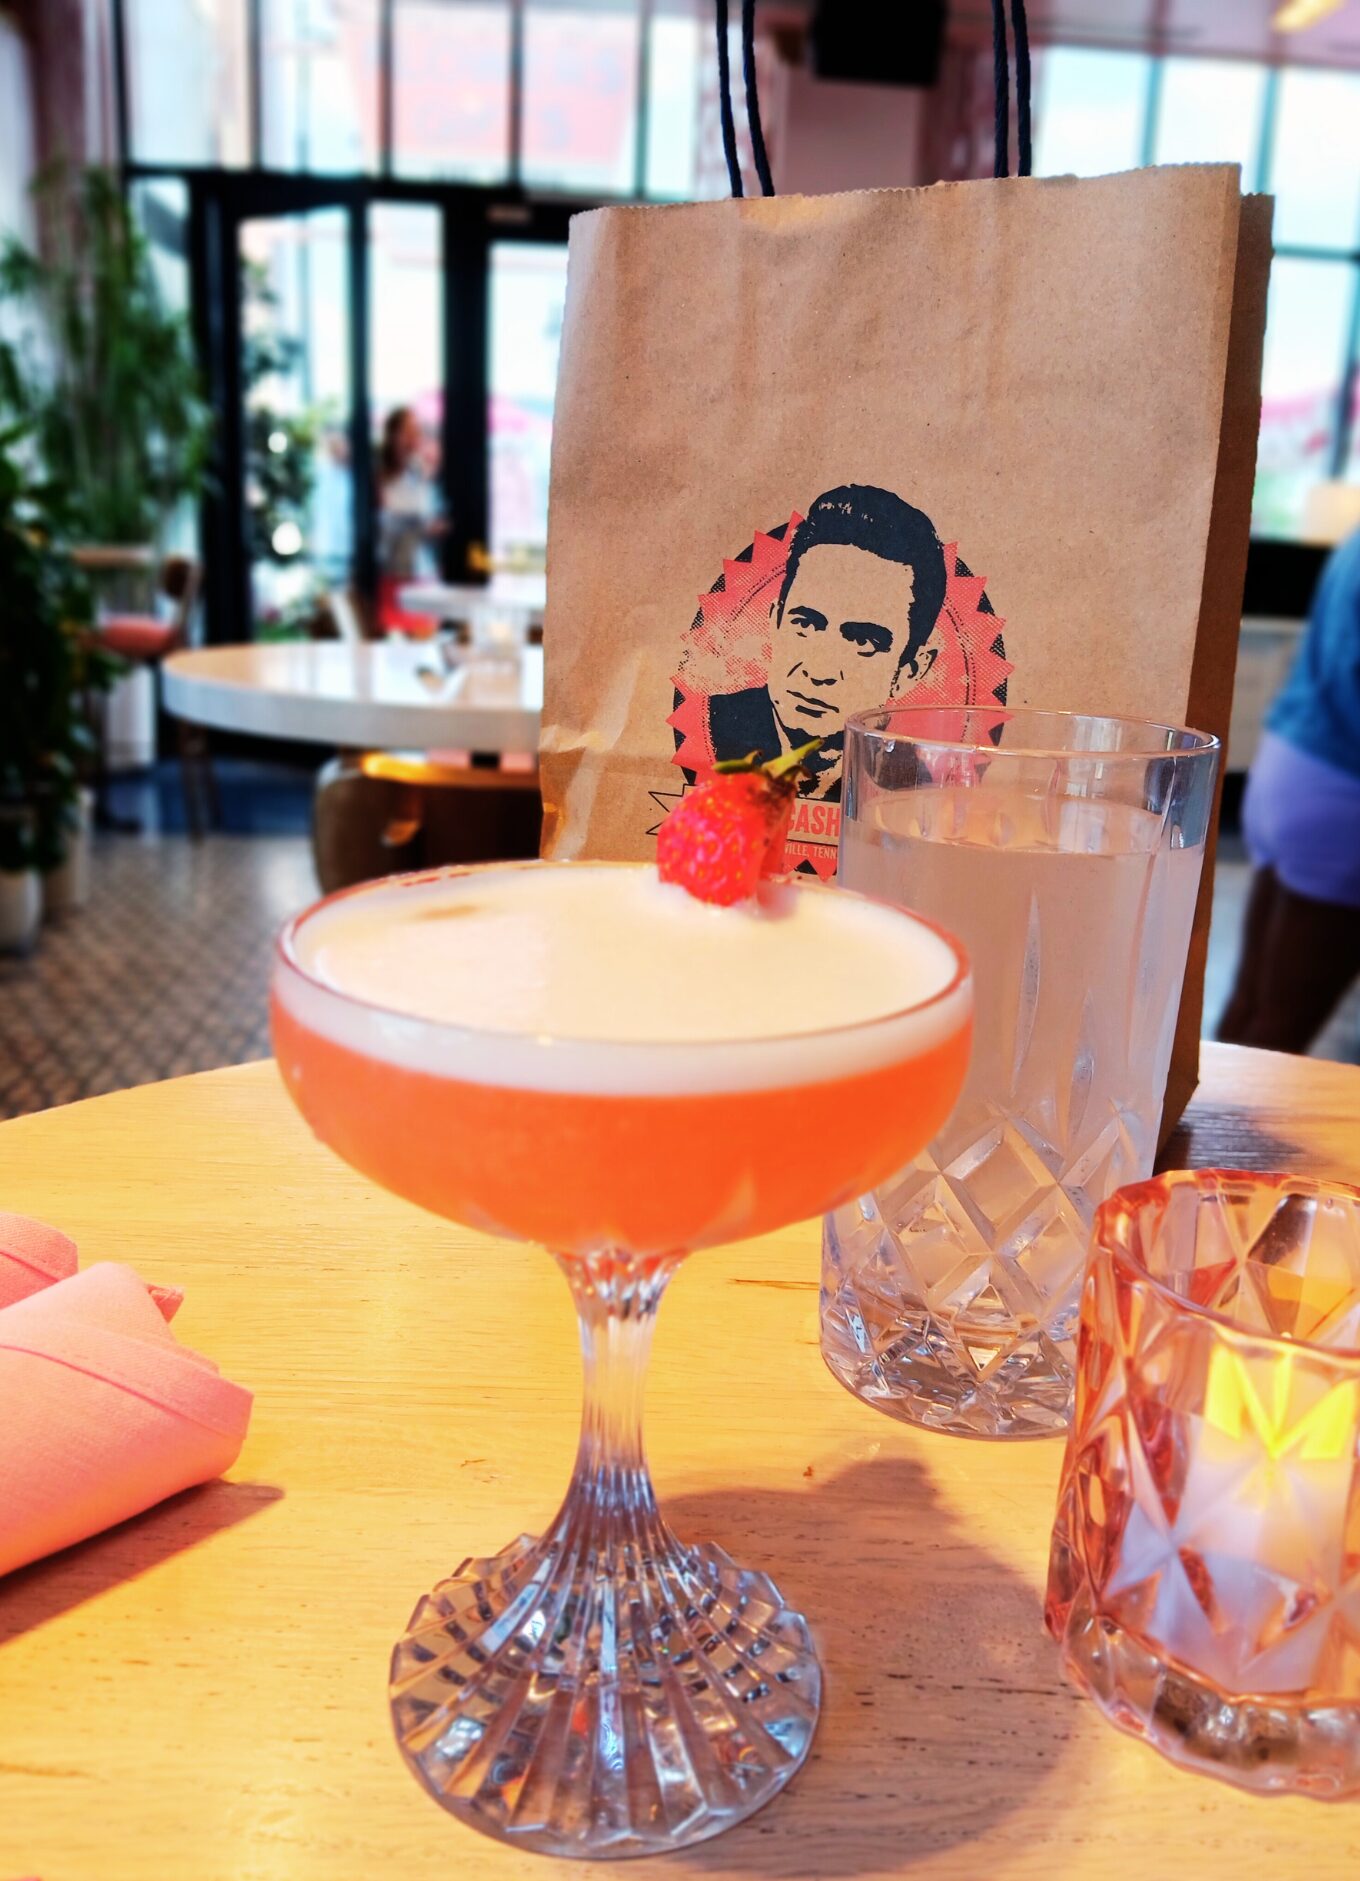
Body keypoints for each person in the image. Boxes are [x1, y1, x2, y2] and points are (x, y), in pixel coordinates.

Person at [706, 484, 948, 799]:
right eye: (805, 623)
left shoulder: (914, 784)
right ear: (775, 622)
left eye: (864, 642)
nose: (819, 671)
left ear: (909, 672)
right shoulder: (714, 726)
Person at [1218, 525, 1360, 1053]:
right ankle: (1228, 1132)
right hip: (1344, 796)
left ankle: (1198, 1118)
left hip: (1291, 764)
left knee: (1253, 1000)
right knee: (1281, 1029)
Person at [377, 406, 445, 635]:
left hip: (422, 566)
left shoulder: (418, 469)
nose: (415, 435)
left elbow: (426, 512)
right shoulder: (383, 473)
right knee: (400, 639)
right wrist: (424, 526)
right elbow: (390, 517)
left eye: (417, 430)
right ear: (393, 435)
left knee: (426, 634)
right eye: (408, 430)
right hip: (396, 567)